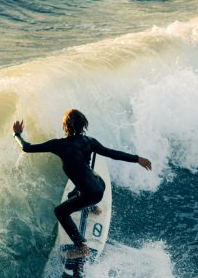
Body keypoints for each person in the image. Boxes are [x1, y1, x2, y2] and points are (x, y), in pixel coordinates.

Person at [12, 109, 152, 263]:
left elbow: (26, 147)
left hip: (90, 194)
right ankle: (93, 207)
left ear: (66, 126)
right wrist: (138, 159)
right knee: (77, 188)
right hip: (100, 185)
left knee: (60, 211)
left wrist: (17, 134)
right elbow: (112, 153)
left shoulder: (58, 145)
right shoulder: (90, 142)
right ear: (83, 124)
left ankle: (81, 247)